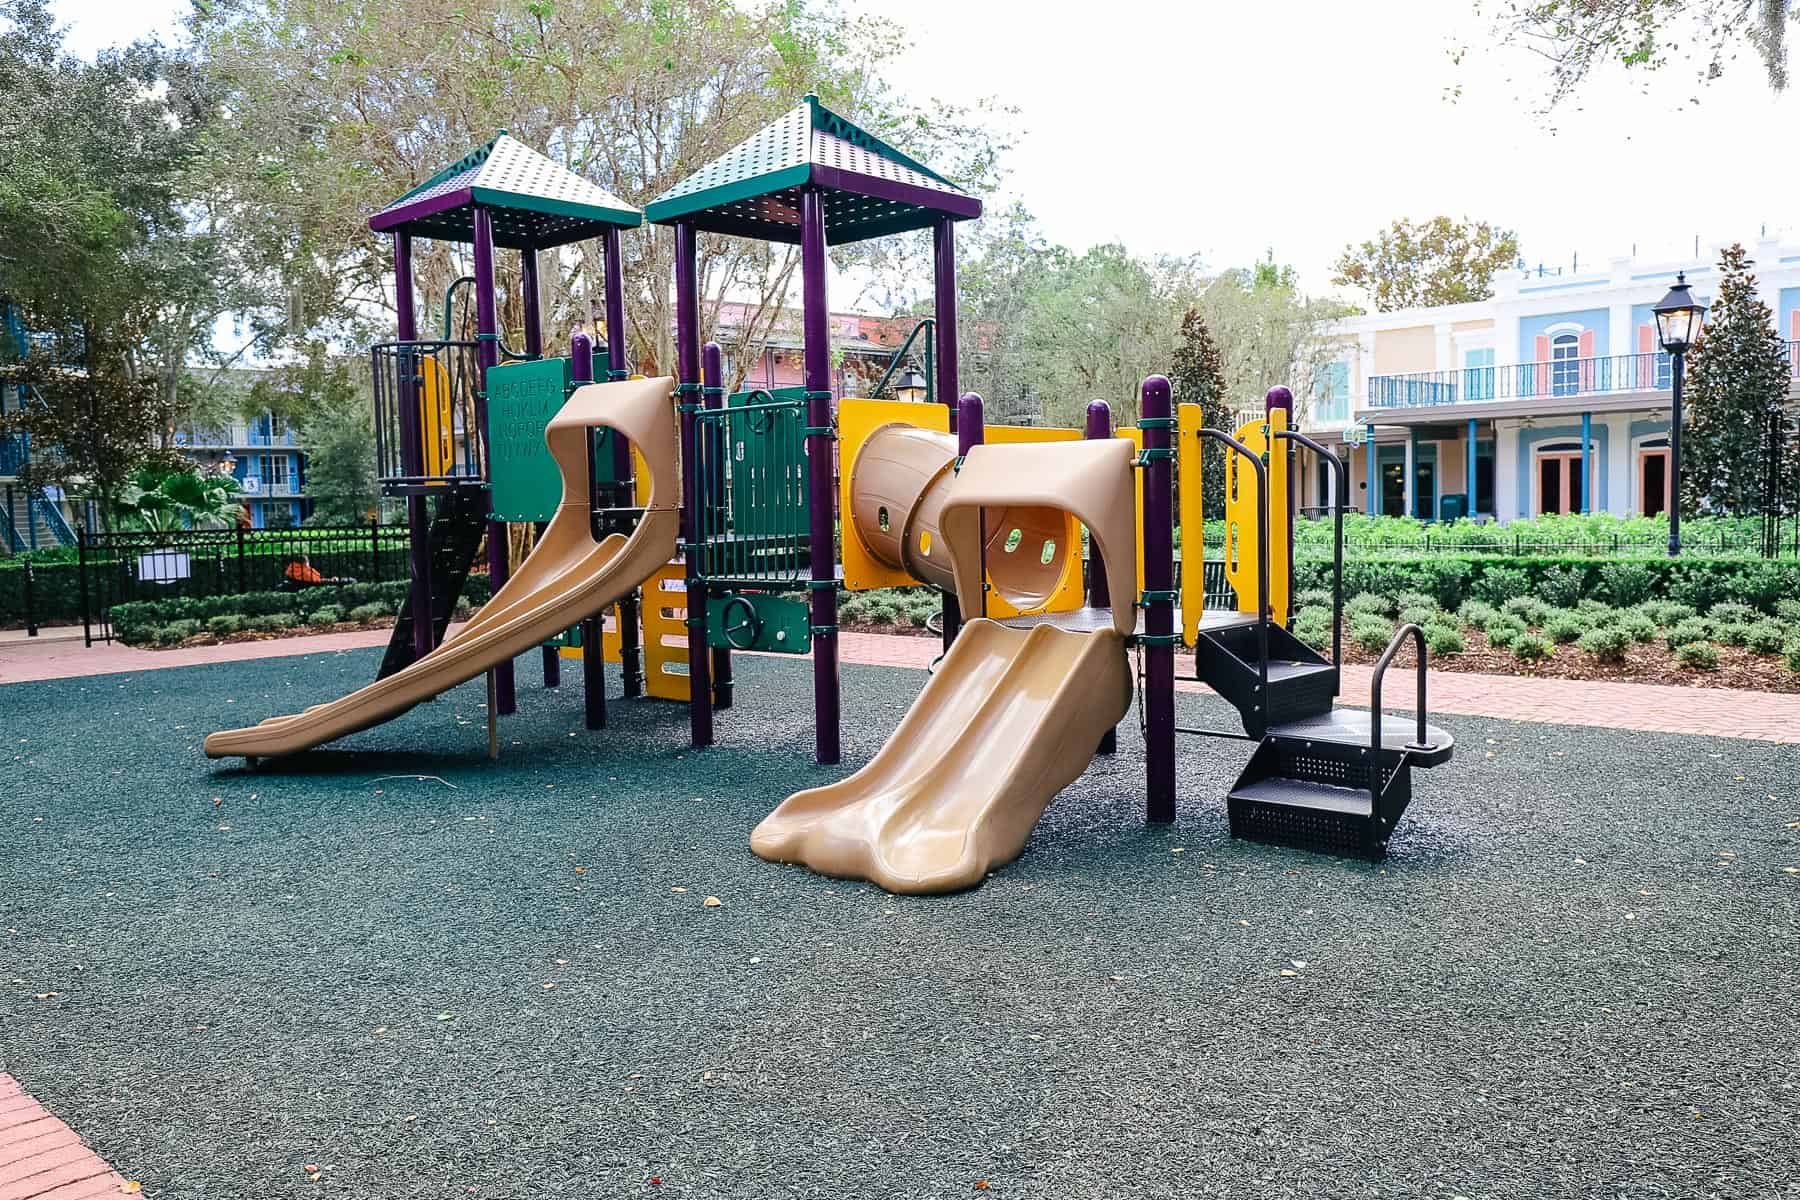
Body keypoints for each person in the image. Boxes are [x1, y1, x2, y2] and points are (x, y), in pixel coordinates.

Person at [282, 554, 350, 589]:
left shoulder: (292, 570)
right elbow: (317, 581)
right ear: (305, 563)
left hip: (303, 584)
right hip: (316, 584)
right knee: (348, 581)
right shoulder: (304, 571)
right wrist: (332, 580)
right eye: (308, 562)